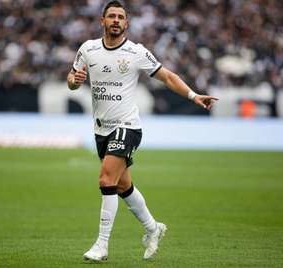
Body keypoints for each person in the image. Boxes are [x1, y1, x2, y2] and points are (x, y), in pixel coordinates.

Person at [67, 0, 218, 262]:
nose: (116, 20)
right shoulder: (87, 49)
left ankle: (101, 246)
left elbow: (168, 77)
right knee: (123, 185)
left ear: (126, 23)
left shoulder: (136, 52)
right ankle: (153, 228)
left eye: (120, 17)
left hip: (127, 125)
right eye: (111, 16)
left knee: (106, 180)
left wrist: (194, 96)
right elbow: (71, 80)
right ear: (102, 21)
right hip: (101, 130)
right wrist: (74, 81)